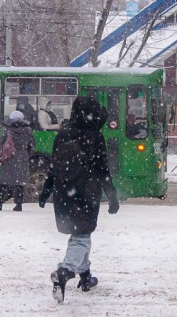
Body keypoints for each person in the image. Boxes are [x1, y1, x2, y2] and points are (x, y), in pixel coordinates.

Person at [38, 96, 120, 304]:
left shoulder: (63, 135)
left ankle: (85, 278)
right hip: (86, 193)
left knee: (79, 234)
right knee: (82, 236)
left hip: (64, 194)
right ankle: (64, 272)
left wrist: (46, 190)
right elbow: (103, 170)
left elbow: (54, 167)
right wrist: (111, 195)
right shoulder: (95, 138)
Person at [0, 110, 35, 211]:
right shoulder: (28, 131)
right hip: (22, 157)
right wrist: (26, 155)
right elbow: (32, 146)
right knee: (19, 183)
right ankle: (19, 204)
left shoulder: (8, 130)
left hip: (9, 157)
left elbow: (1, 144)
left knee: (4, 182)